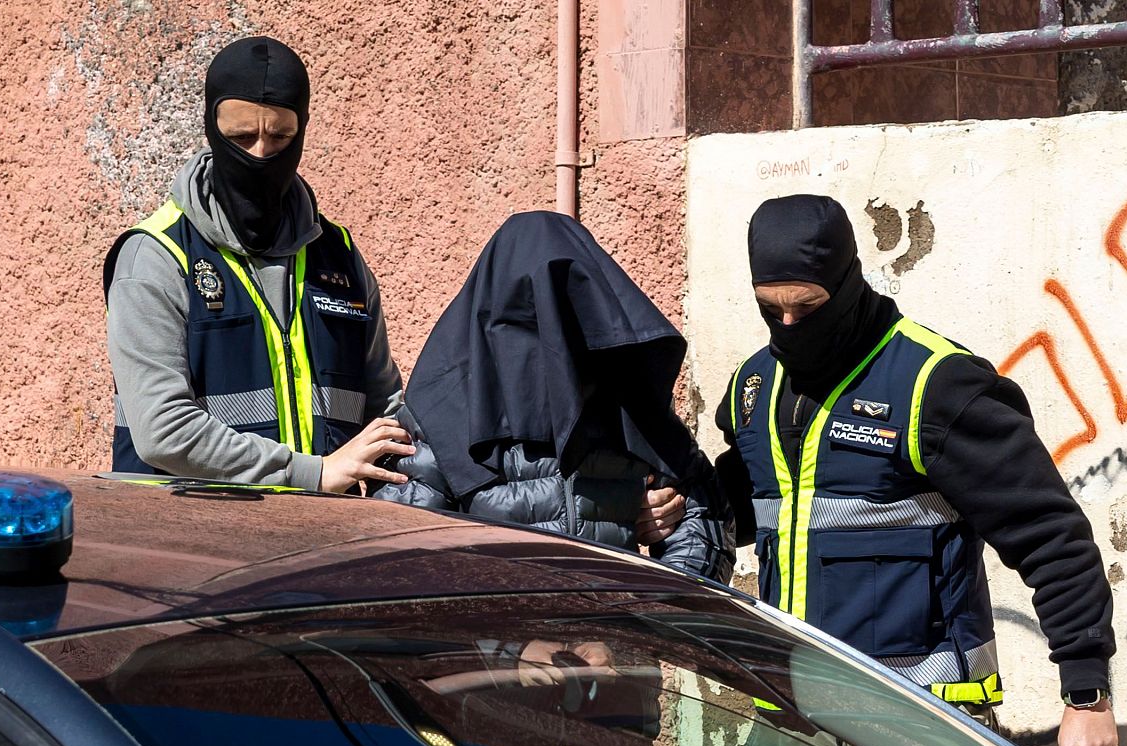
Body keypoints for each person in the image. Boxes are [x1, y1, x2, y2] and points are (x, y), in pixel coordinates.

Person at [716, 194, 1119, 746]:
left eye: (808, 306)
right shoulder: (756, 384)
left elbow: (1049, 534)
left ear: (847, 283)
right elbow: (765, 504)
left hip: (927, 737)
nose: (790, 326)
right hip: (795, 738)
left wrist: (1086, 694)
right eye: (771, 309)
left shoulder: (935, 384)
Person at [104, 36, 413, 493]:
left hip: (325, 542)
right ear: (211, 129)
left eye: (281, 136)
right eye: (242, 137)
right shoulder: (156, 256)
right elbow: (163, 430)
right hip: (185, 543)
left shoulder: (340, 256)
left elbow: (384, 406)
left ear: (302, 131)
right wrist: (312, 473)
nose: (261, 154)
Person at [378, 211, 734, 583]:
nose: (551, 345)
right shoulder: (442, 417)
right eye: (526, 321)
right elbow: (400, 561)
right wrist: (505, 637)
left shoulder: (625, 400)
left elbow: (706, 518)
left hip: (613, 630)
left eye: (564, 315)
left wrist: (655, 613)